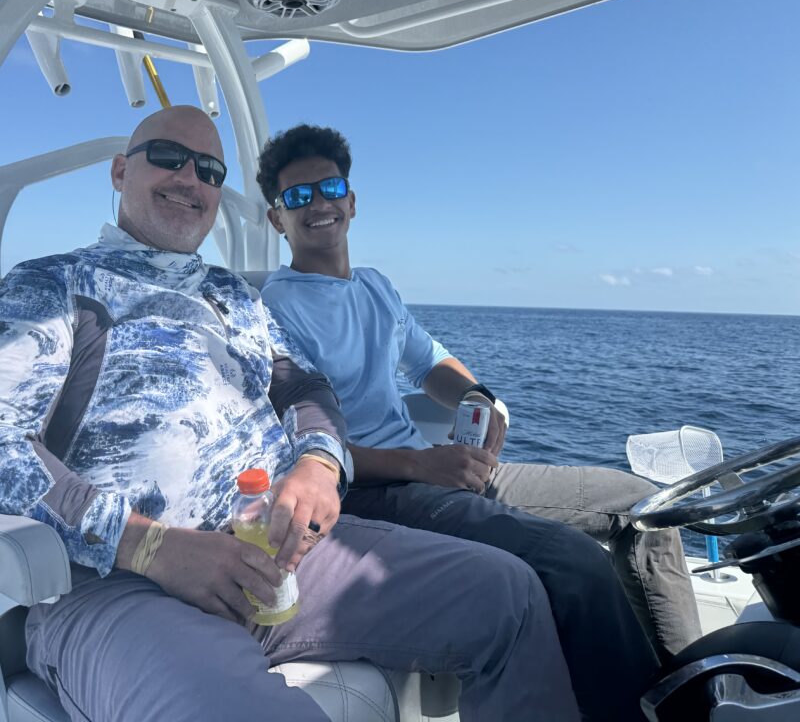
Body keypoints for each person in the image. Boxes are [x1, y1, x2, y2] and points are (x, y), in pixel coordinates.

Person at [0, 106, 580, 722]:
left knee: (510, 593)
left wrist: (319, 464)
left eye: (209, 170)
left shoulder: (232, 296)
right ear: (120, 171)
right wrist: (151, 546)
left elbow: (304, 389)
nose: (190, 179)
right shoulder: (53, 286)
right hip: (120, 582)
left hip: (278, 552)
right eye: (168, 157)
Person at [258, 125, 702, 670]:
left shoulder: (375, 286)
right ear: (276, 218)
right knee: (574, 560)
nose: (318, 204)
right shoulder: (274, 309)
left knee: (647, 506)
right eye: (297, 196)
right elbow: (298, 446)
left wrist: (478, 396)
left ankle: (693, 683)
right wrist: (420, 466)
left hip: (435, 469)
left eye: (329, 188)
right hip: (373, 491)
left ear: (351, 201)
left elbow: (429, 362)